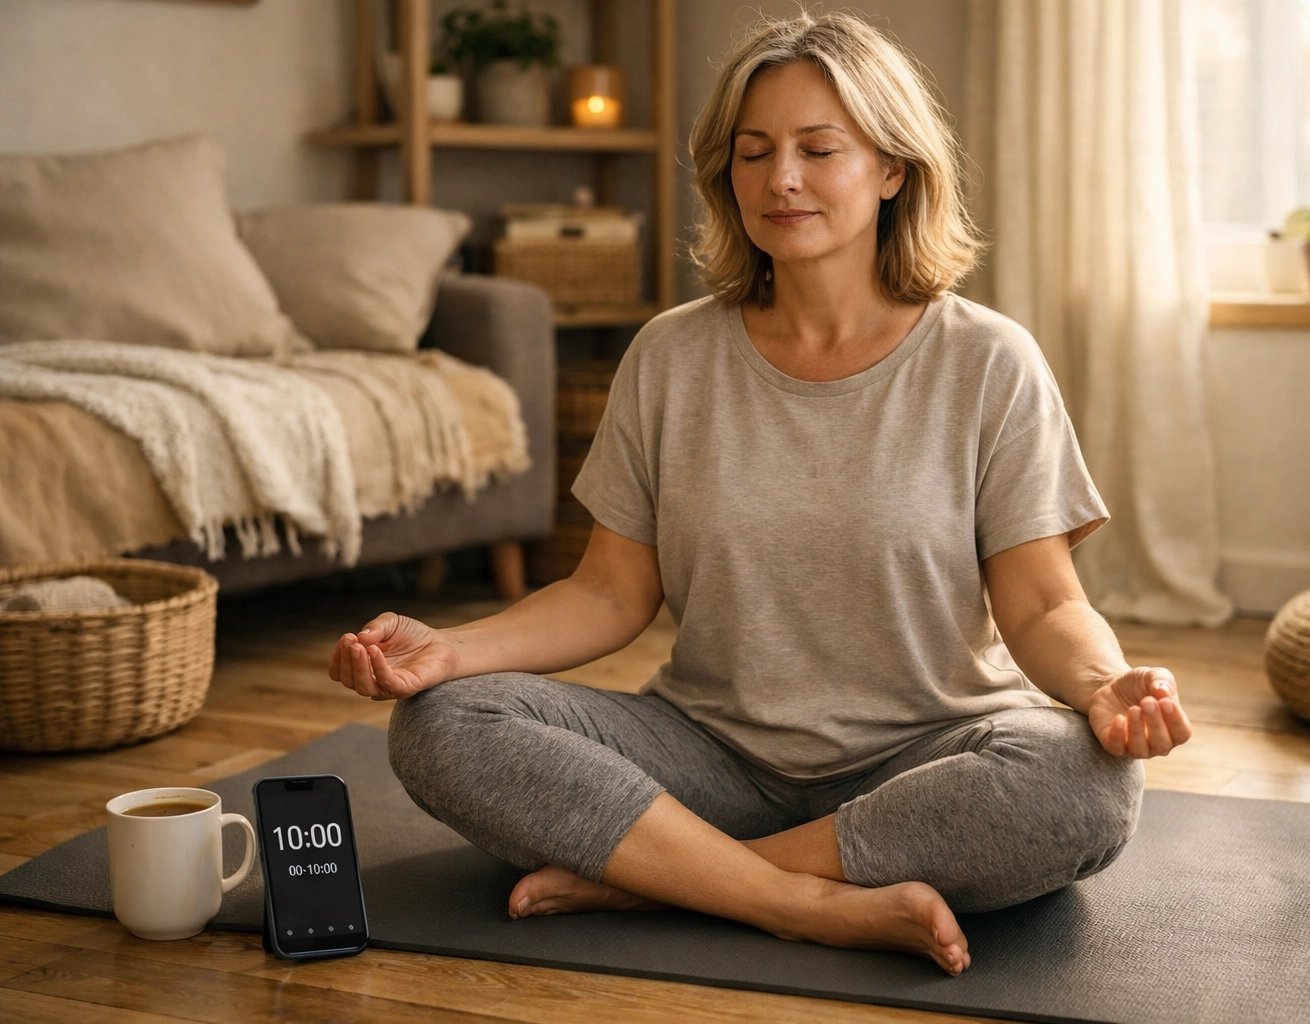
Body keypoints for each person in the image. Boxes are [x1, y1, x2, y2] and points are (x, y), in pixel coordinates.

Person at [330, 11, 1192, 977]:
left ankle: (653, 877)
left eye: (819, 149)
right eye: (754, 152)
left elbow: (1042, 602)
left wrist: (1101, 687)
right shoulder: (669, 355)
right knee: (445, 722)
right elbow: (610, 593)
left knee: (1087, 781)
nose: (780, 179)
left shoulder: (989, 361)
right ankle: (796, 903)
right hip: (709, 756)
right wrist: (451, 650)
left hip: (926, 757)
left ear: (894, 168)